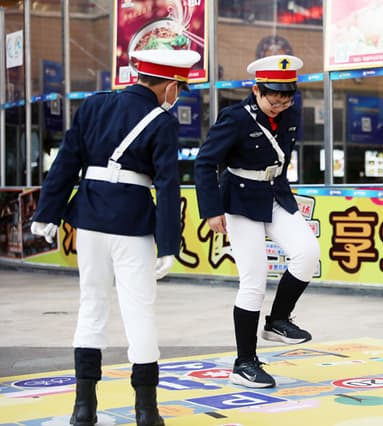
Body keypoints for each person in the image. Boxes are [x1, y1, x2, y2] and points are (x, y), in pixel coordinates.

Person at [30, 48, 201, 425]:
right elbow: (168, 186)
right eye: (180, 89)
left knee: (91, 306)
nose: (178, 97)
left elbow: (66, 161)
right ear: (170, 86)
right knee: (139, 311)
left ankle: (83, 409)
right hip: (132, 223)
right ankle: (146, 410)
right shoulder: (162, 121)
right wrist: (168, 243)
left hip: (89, 218)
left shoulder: (94, 105)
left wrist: (47, 212)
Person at [194, 54, 320, 389]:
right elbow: (205, 163)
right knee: (254, 280)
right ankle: (244, 363)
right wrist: (210, 209)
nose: (280, 103)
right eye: (273, 96)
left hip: (276, 193)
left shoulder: (292, 114)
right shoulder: (234, 118)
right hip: (239, 199)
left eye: (286, 96)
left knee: (308, 252)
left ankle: (278, 320)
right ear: (256, 89)